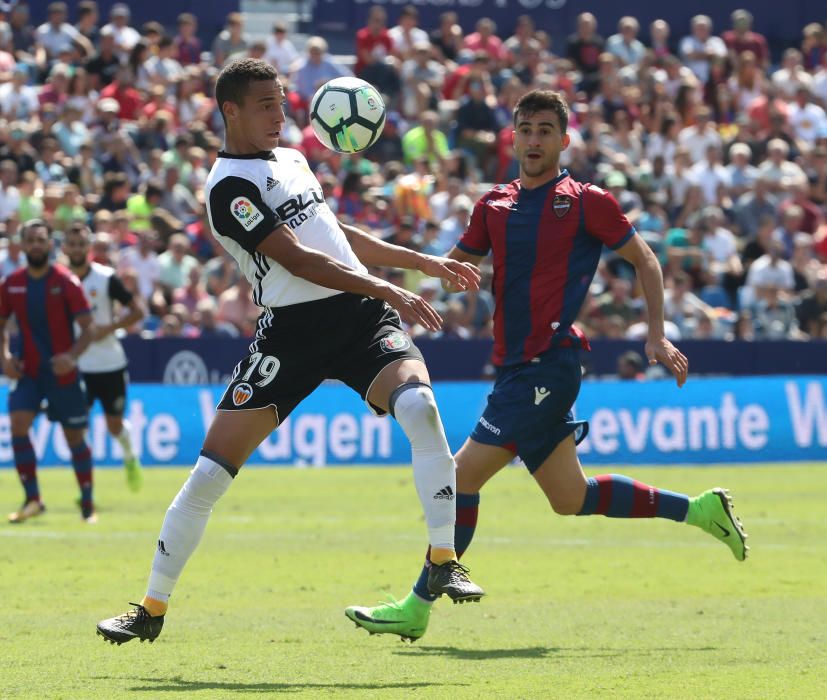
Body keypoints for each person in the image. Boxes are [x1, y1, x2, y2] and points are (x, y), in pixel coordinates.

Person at [96, 58, 484, 645]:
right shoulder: (229, 188)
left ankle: (441, 557)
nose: (281, 114)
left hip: (359, 321)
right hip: (291, 335)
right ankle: (150, 607)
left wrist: (422, 261)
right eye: (266, 105)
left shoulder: (293, 160)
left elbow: (335, 234)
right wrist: (386, 287)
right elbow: (297, 259)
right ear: (231, 110)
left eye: (282, 102)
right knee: (207, 476)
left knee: (422, 410)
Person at [344, 90, 749, 642]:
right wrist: (380, 276)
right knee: (570, 498)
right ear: (512, 136)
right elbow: (452, 266)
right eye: (525, 129)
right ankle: (702, 511)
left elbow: (644, 259)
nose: (533, 140)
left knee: (458, 477)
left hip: (548, 366)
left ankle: (417, 604)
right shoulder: (493, 205)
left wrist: (656, 334)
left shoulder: (586, 200)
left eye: (544, 130)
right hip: (516, 368)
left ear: (563, 139)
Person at [1, 219, 97, 523]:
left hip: (62, 373)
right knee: (18, 424)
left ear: (50, 244)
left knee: (74, 439)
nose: (36, 245)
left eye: (41, 239)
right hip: (28, 371)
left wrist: (71, 356)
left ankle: (87, 503)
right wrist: (4, 357)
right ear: (22, 245)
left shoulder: (66, 281)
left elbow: (88, 329)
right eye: (30, 240)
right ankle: (32, 499)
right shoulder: (12, 283)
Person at [62, 223, 146, 491]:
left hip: (110, 362)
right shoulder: (58, 280)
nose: (76, 249)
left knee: (113, 426)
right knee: (76, 428)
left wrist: (107, 329)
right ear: (64, 248)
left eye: (81, 244)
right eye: (71, 244)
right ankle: (85, 488)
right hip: (77, 364)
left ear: (88, 248)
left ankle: (130, 455)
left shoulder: (106, 277)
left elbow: (137, 312)